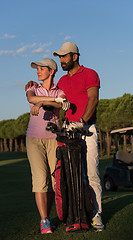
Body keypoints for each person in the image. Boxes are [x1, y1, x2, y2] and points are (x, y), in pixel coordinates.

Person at [25, 43, 104, 231]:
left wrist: (83, 121)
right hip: (67, 131)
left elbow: (93, 98)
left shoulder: (90, 74)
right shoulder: (61, 81)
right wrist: (35, 87)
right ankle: (74, 215)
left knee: (91, 173)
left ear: (74, 57)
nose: (61, 60)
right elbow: (55, 99)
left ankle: (96, 215)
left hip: (86, 129)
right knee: (68, 176)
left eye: (64, 57)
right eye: (59, 58)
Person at [26, 58, 70, 234]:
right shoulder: (32, 87)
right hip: (34, 140)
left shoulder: (60, 91)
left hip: (54, 139)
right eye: (37, 69)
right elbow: (31, 97)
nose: (38, 71)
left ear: (52, 71)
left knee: (53, 182)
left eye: (41, 68)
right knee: (40, 180)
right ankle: (44, 221)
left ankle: (49, 217)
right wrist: (45, 100)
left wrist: (41, 102)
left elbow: (62, 103)